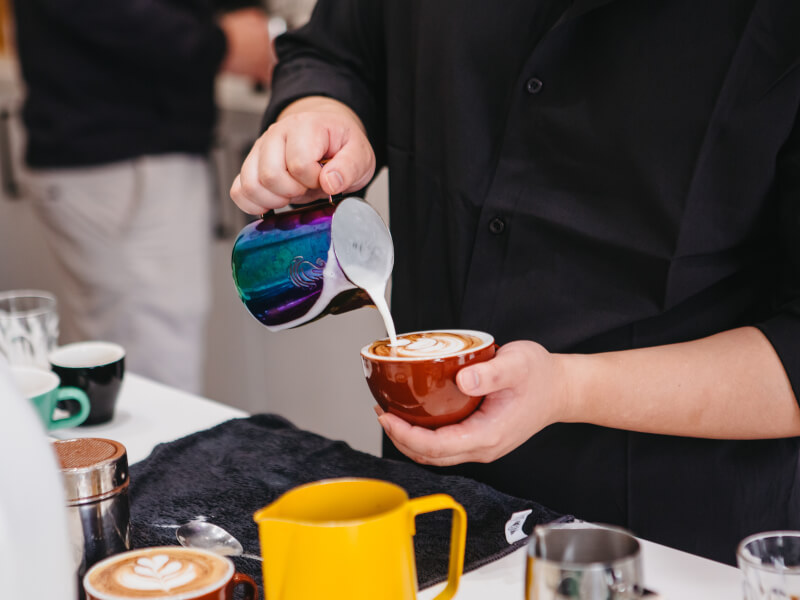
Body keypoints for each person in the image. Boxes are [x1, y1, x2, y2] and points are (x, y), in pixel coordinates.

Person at [230, 0, 800, 564]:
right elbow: (336, 49)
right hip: (432, 504)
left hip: (667, 532)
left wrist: (567, 388)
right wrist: (318, 113)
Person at [13, 0, 275, 393]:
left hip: (111, 149)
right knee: (151, 373)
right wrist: (218, 42)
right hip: (121, 154)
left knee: (123, 362)